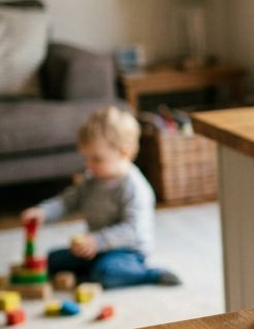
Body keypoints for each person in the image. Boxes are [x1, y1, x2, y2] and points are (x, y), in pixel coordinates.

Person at [22, 106, 181, 288]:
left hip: (127, 251)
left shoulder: (134, 187)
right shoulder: (92, 179)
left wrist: (97, 241)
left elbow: (133, 230)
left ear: (124, 153)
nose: (89, 165)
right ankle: (89, 273)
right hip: (95, 248)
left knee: (106, 272)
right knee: (53, 260)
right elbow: (67, 201)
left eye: (97, 159)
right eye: (86, 159)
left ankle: (150, 274)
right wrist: (42, 212)